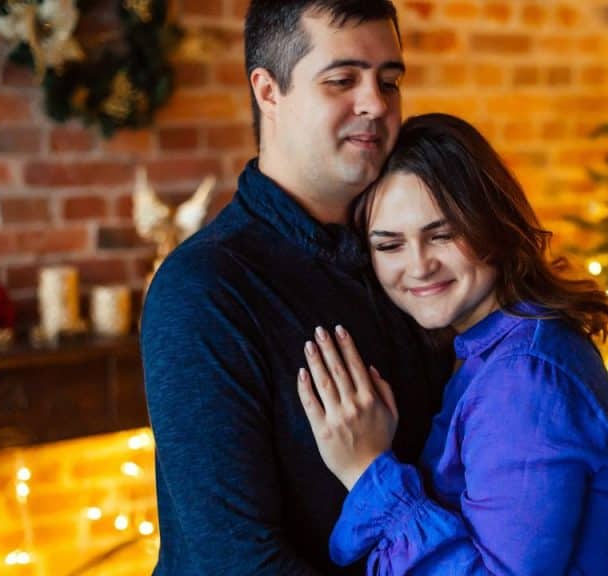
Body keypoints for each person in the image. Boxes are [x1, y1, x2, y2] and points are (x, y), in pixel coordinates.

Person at [140, 2, 449, 574]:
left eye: (390, 81)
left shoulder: (411, 265)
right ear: (267, 91)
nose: (376, 105)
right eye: (342, 80)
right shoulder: (203, 290)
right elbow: (238, 564)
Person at [296, 113, 608, 575]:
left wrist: (366, 470)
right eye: (389, 245)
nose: (418, 266)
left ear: (492, 225)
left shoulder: (522, 382)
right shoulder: (490, 351)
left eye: (442, 235)